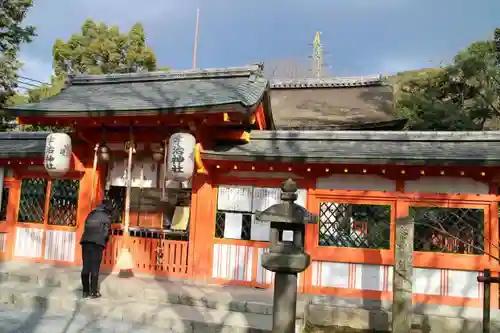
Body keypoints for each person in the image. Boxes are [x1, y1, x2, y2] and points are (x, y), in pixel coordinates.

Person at [80, 199, 112, 299]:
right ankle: (94, 293)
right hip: (97, 243)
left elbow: (85, 227)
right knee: (95, 268)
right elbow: (106, 233)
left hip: (85, 242)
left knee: (86, 267)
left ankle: (85, 292)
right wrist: (105, 242)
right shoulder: (106, 217)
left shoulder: (91, 214)